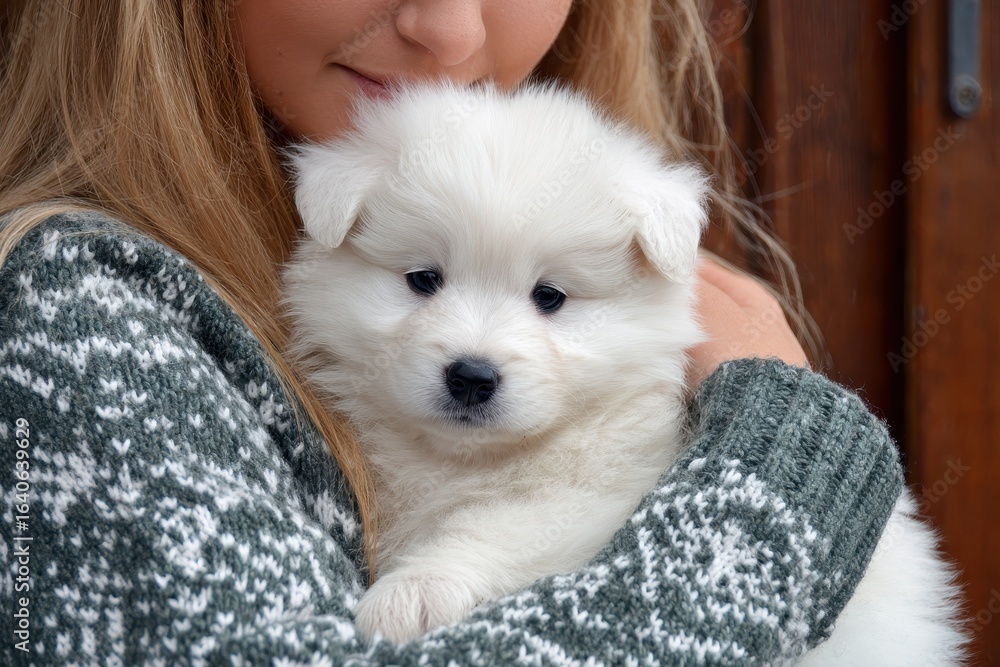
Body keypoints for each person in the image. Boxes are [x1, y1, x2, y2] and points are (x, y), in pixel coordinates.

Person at [0, 1, 903, 664]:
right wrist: (783, 480)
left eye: (550, 296)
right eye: (425, 281)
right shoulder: (80, 323)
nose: (451, 28)